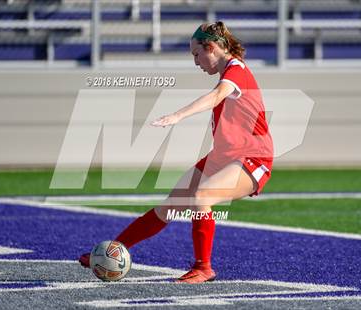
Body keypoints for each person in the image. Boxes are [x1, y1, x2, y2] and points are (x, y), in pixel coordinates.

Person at [79, 21, 273, 284]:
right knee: (169, 207)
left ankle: (204, 268)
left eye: (196, 54)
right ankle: (110, 253)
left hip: (253, 159)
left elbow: (216, 96)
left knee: (203, 197)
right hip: (223, 157)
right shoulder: (229, 71)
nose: (196, 62)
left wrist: (178, 115)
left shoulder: (236, 70)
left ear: (213, 47)